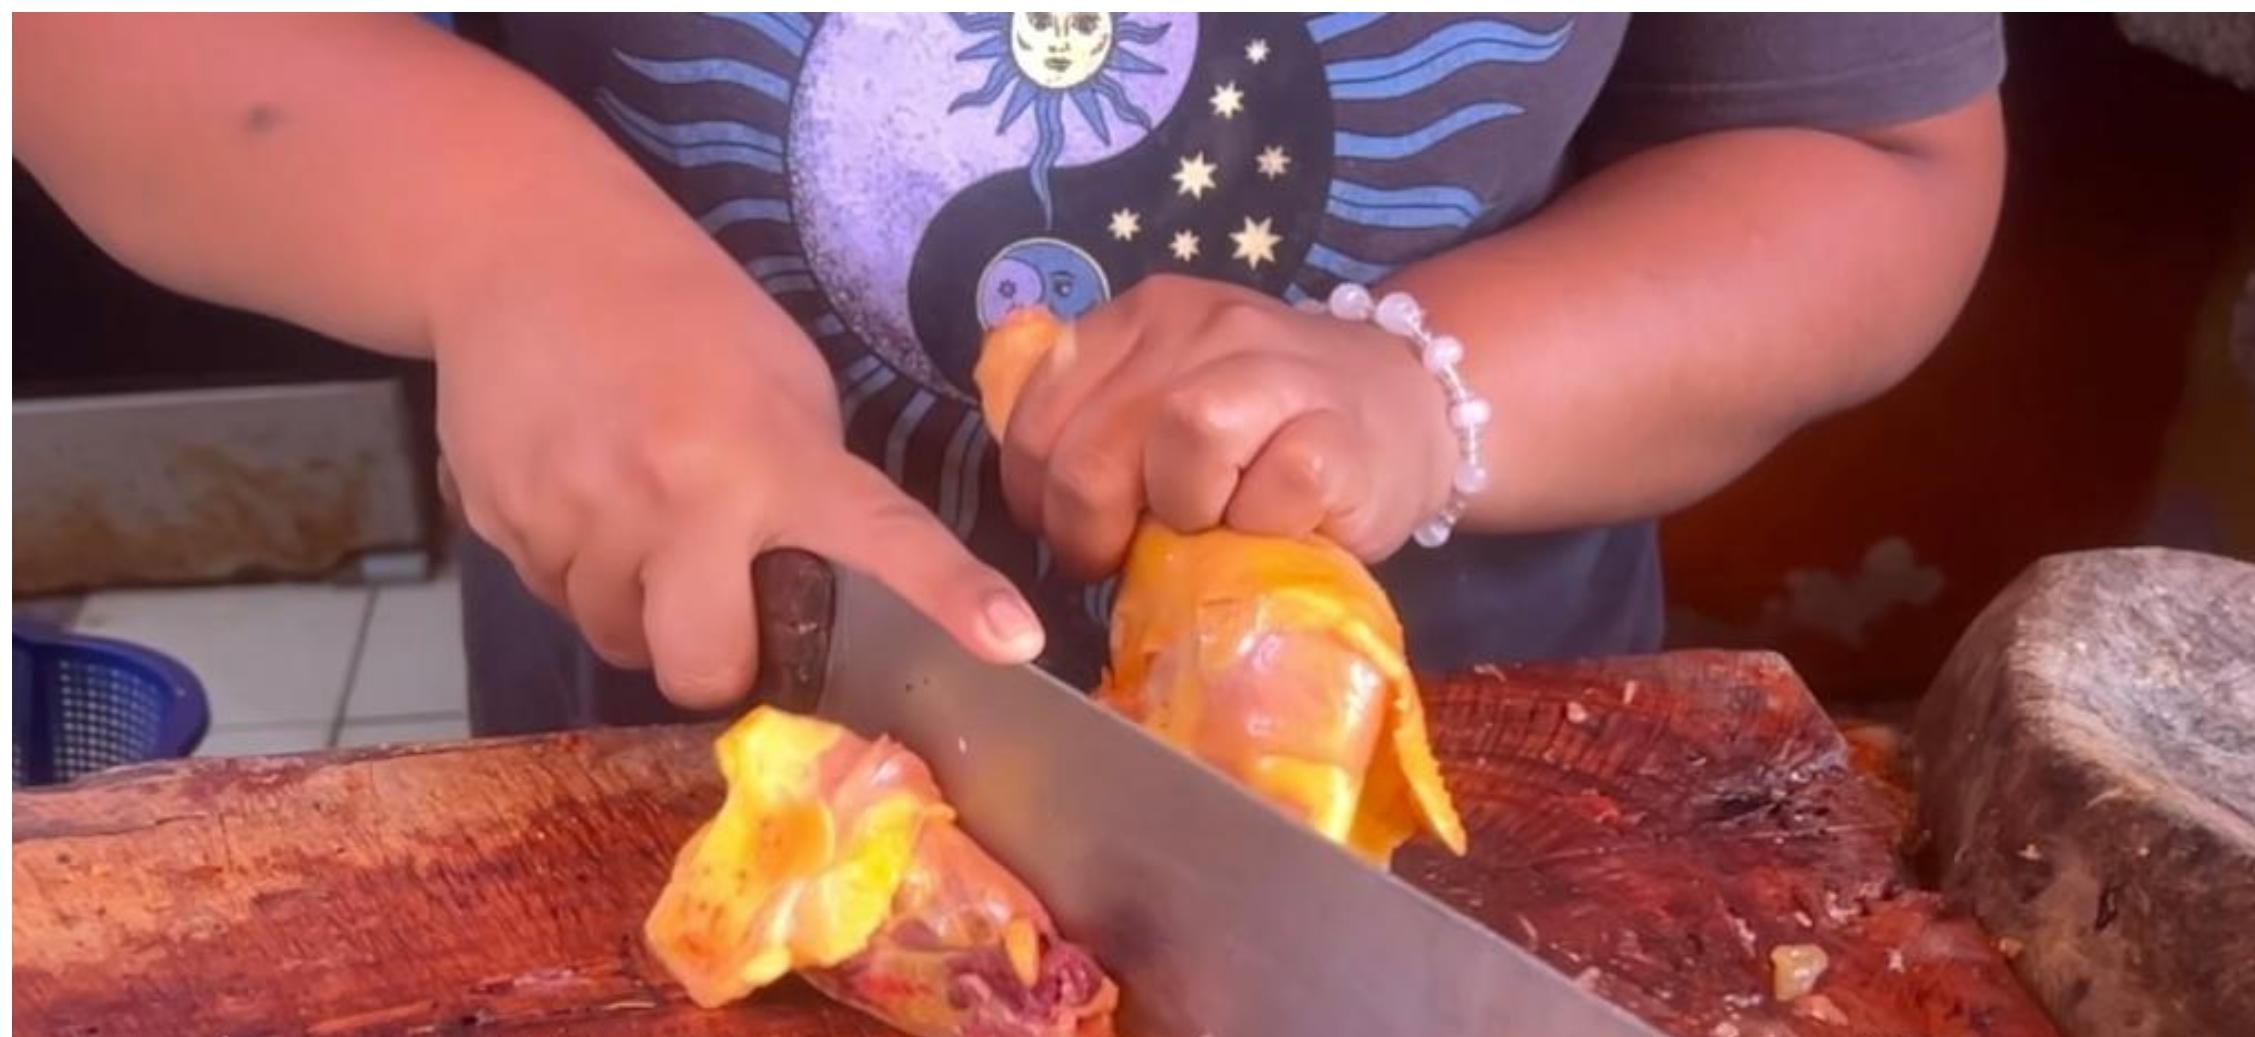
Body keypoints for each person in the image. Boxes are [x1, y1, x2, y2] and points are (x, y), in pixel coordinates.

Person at [15, 13, 2005, 736]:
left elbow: (1868, 158)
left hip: (1469, 836)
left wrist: (1423, 390)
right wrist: (506, 243)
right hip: (649, 793)